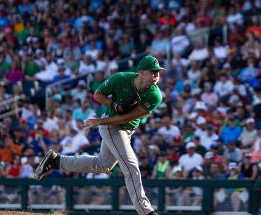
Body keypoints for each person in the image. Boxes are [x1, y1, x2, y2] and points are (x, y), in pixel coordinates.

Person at [34, 55, 165, 215]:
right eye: (153, 71)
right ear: (141, 72)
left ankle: (57, 161)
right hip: (112, 127)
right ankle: (146, 212)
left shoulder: (155, 95)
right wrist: (113, 104)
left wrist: (100, 122)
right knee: (131, 166)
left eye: (158, 71)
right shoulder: (120, 79)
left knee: (103, 165)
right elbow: (97, 95)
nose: (156, 75)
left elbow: (129, 117)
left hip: (121, 126)